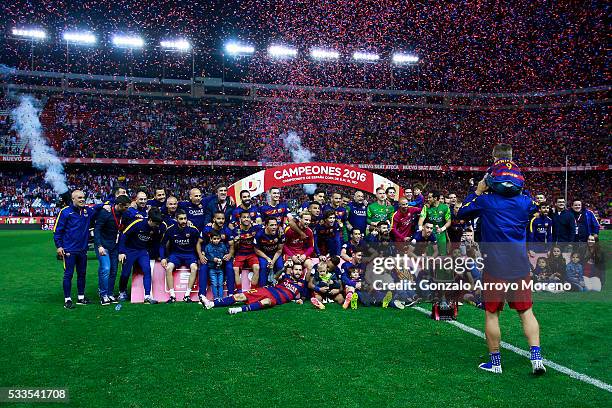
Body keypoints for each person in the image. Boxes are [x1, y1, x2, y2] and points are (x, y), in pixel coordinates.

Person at [457, 163, 545, 375]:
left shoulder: (486, 201)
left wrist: (478, 190)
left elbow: (462, 212)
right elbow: (533, 204)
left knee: (492, 313)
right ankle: (536, 359)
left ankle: (495, 362)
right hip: (520, 265)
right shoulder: (525, 202)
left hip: (495, 266)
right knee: (526, 312)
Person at [201, 263, 308, 314]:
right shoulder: (286, 277)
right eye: (296, 269)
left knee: (266, 302)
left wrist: (300, 300)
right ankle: (211, 304)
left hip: (277, 299)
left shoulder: (302, 284)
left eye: (300, 270)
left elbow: (303, 296)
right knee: (240, 296)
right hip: (268, 290)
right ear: (292, 270)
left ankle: (238, 310)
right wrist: (284, 268)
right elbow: (275, 277)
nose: (298, 271)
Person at [53, 190, 98, 309]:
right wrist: (59, 246)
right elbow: (57, 231)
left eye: (83, 197)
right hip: (69, 250)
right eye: (79, 198)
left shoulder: (87, 211)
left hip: (83, 250)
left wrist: (107, 204)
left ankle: (81, 297)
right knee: (68, 275)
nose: (82, 199)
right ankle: (67, 299)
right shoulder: (65, 212)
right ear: (73, 199)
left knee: (82, 274)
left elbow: (98, 208)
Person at [118, 207, 163, 304]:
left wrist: (156, 254)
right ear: (150, 220)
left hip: (142, 251)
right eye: (156, 223)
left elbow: (155, 242)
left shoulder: (156, 228)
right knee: (125, 273)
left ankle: (147, 295)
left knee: (147, 270)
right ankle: (122, 292)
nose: (157, 225)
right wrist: (121, 252)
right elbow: (124, 235)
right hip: (130, 250)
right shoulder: (137, 223)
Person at [94, 194, 131, 305]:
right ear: (120, 205)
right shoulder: (105, 213)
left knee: (114, 271)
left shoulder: (123, 214)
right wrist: (99, 245)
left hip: (114, 246)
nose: (127, 209)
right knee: (105, 268)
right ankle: (103, 294)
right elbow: (97, 230)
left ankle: (110, 294)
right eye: (126, 207)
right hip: (103, 246)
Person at [160, 209, 200, 303]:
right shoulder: (170, 230)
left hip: (190, 254)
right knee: (169, 268)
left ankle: (187, 295)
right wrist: (163, 258)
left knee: (194, 268)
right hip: (176, 255)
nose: (184, 221)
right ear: (176, 219)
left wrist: (200, 256)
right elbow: (162, 245)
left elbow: (200, 242)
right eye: (181, 219)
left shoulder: (193, 229)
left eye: (185, 218)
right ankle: (172, 296)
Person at [197, 211, 235, 297]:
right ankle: (202, 295)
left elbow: (232, 245)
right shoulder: (207, 229)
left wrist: (230, 254)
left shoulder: (226, 230)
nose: (221, 221)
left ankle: (231, 293)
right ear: (214, 219)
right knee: (203, 269)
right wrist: (200, 255)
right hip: (209, 256)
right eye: (218, 218)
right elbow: (199, 243)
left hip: (223, 256)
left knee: (229, 267)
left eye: (223, 219)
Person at [231, 210, 262, 289]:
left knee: (257, 268)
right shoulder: (235, 230)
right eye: (244, 217)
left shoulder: (256, 228)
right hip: (240, 253)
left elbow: (267, 228)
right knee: (235, 269)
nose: (246, 219)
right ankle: (239, 291)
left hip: (252, 253)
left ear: (251, 219)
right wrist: (236, 242)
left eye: (248, 217)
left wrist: (279, 229)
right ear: (240, 219)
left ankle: (253, 290)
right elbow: (234, 247)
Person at [254, 217, 285, 287]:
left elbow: (280, 250)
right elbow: (256, 250)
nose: (274, 227)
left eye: (275, 225)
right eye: (271, 225)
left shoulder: (280, 233)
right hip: (263, 255)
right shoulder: (259, 234)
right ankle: (263, 289)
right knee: (263, 267)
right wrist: (267, 258)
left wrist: (272, 262)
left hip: (276, 254)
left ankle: (280, 288)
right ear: (266, 225)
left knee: (280, 267)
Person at [418, 191, 451, 255]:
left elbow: (449, 222)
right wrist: (420, 228)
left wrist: (441, 229)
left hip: (441, 234)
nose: (428, 199)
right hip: (430, 234)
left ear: (435, 198)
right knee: (430, 254)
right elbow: (421, 220)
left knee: (442, 255)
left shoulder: (445, 208)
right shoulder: (426, 207)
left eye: (430, 197)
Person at [205, 232, 229, 300]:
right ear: (211, 239)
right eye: (214, 239)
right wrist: (213, 259)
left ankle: (221, 298)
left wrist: (224, 258)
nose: (216, 240)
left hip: (221, 268)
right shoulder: (208, 246)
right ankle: (215, 298)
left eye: (218, 239)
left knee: (221, 284)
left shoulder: (223, 246)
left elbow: (226, 254)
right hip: (212, 268)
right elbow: (206, 256)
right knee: (214, 284)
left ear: (220, 239)